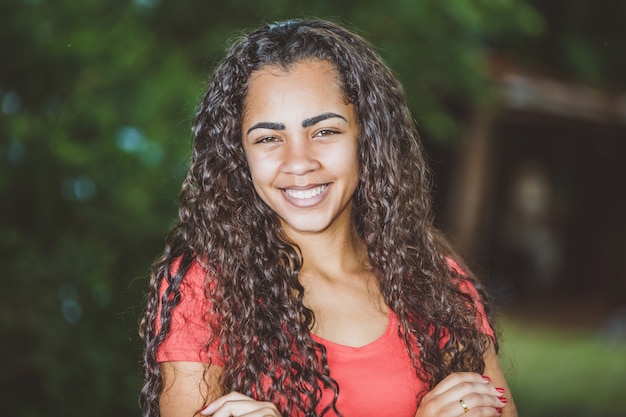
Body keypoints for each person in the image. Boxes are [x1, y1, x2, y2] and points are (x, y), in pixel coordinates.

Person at [139, 18, 517, 417]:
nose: (299, 162)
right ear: (239, 156)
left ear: (365, 137)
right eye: (269, 138)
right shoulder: (207, 290)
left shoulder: (437, 285)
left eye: (324, 132)